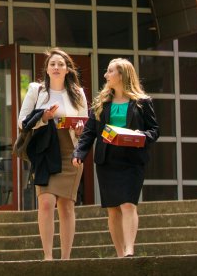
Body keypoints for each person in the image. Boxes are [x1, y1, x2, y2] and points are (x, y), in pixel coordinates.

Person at [72, 58, 158, 258]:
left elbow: (155, 130)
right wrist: (79, 153)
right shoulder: (102, 103)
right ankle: (120, 254)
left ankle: (129, 249)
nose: (106, 75)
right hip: (107, 161)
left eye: (110, 71)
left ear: (122, 75)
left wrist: (141, 135)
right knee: (113, 209)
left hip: (132, 161)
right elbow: (89, 132)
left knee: (128, 204)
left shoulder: (143, 102)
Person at [18, 49, 88, 260]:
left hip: (70, 150)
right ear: (47, 70)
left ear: (67, 69)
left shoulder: (77, 92)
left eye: (60, 64)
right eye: (52, 64)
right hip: (45, 150)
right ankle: (48, 256)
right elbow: (22, 122)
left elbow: (85, 124)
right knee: (46, 202)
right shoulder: (36, 90)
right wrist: (44, 117)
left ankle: (65, 258)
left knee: (66, 205)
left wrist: (79, 130)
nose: (56, 67)